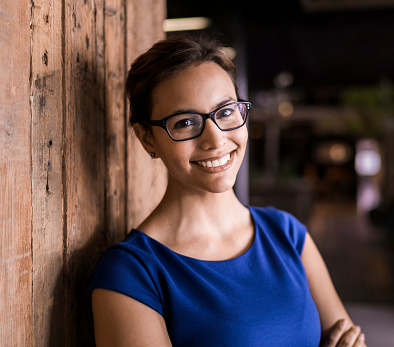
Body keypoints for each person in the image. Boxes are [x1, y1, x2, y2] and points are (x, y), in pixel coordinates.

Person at [90, 33, 366, 347]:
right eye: (184, 122)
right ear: (147, 139)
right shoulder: (132, 274)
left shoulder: (287, 234)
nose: (216, 139)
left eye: (225, 112)